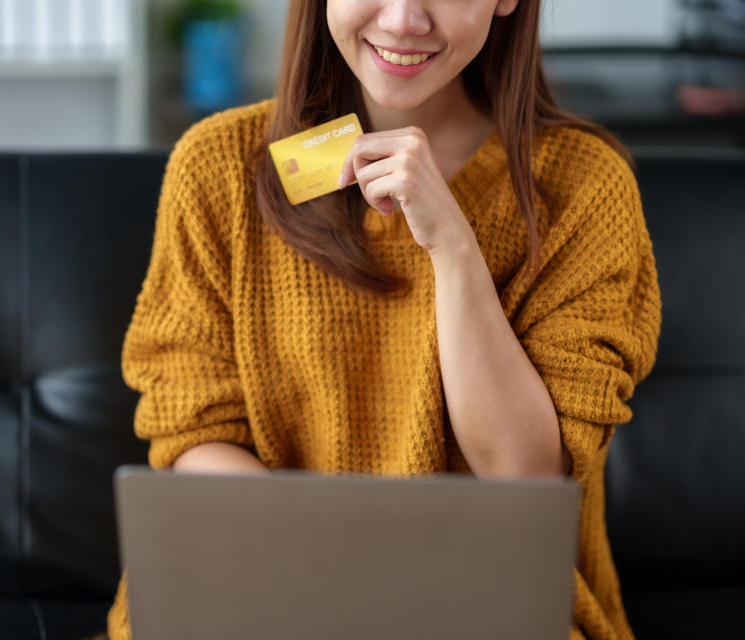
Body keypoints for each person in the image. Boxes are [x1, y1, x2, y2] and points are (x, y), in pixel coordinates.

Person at [96, 1, 662, 639]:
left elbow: (524, 477)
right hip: (264, 582)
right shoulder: (218, 167)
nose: (401, 20)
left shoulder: (585, 188)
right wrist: (338, 576)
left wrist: (453, 248)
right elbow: (193, 436)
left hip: (481, 608)